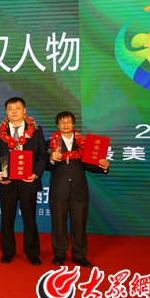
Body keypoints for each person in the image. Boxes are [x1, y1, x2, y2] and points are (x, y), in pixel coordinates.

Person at [46, 111, 109, 268]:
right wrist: (51, 160)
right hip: (59, 190)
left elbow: (89, 165)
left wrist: (103, 166)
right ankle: (59, 254)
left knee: (79, 225)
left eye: (68, 121)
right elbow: (45, 166)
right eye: (62, 122)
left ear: (73, 124)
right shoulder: (50, 144)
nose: (65, 125)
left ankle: (79, 255)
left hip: (79, 190)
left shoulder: (84, 143)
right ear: (57, 125)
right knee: (58, 224)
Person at [0, 97, 48, 266]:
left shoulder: (36, 130)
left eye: (17, 108)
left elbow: (42, 155)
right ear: (6, 112)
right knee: (7, 219)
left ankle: (32, 253)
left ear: (24, 111)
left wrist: (35, 174)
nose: (14, 111)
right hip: (7, 181)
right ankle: (8, 252)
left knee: (30, 218)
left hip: (28, 180)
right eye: (10, 108)